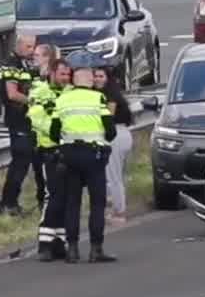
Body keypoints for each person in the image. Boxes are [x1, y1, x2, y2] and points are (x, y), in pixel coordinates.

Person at [52, 66, 117, 263]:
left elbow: (54, 132)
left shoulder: (62, 100)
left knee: (73, 203)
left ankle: (72, 249)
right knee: (97, 203)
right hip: (93, 156)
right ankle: (95, 249)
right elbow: (110, 131)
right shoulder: (98, 99)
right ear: (89, 81)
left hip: (69, 155)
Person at [0, 32, 41, 215]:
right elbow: (12, 94)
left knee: (31, 162)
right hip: (18, 121)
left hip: (29, 121)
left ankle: (17, 202)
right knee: (20, 163)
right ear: (20, 45)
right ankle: (9, 203)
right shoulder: (10, 65)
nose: (31, 51)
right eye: (29, 47)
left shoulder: (25, 64)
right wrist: (35, 100)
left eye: (34, 47)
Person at [33, 56, 70, 260]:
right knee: (52, 197)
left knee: (65, 198)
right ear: (53, 72)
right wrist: (59, 131)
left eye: (68, 74)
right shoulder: (40, 92)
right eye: (62, 74)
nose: (65, 78)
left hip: (67, 151)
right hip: (49, 151)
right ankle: (45, 243)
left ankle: (59, 242)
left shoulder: (69, 93)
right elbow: (38, 119)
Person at [94, 63, 136, 226]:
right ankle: (114, 208)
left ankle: (119, 212)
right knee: (112, 177)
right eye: (95, 76)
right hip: (119, 135)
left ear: (108, 78)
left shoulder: (110, 95)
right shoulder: (104, 93)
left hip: (116, 136)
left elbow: (108, 118)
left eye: (101, 76)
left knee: (113, 177)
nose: (97, 79)